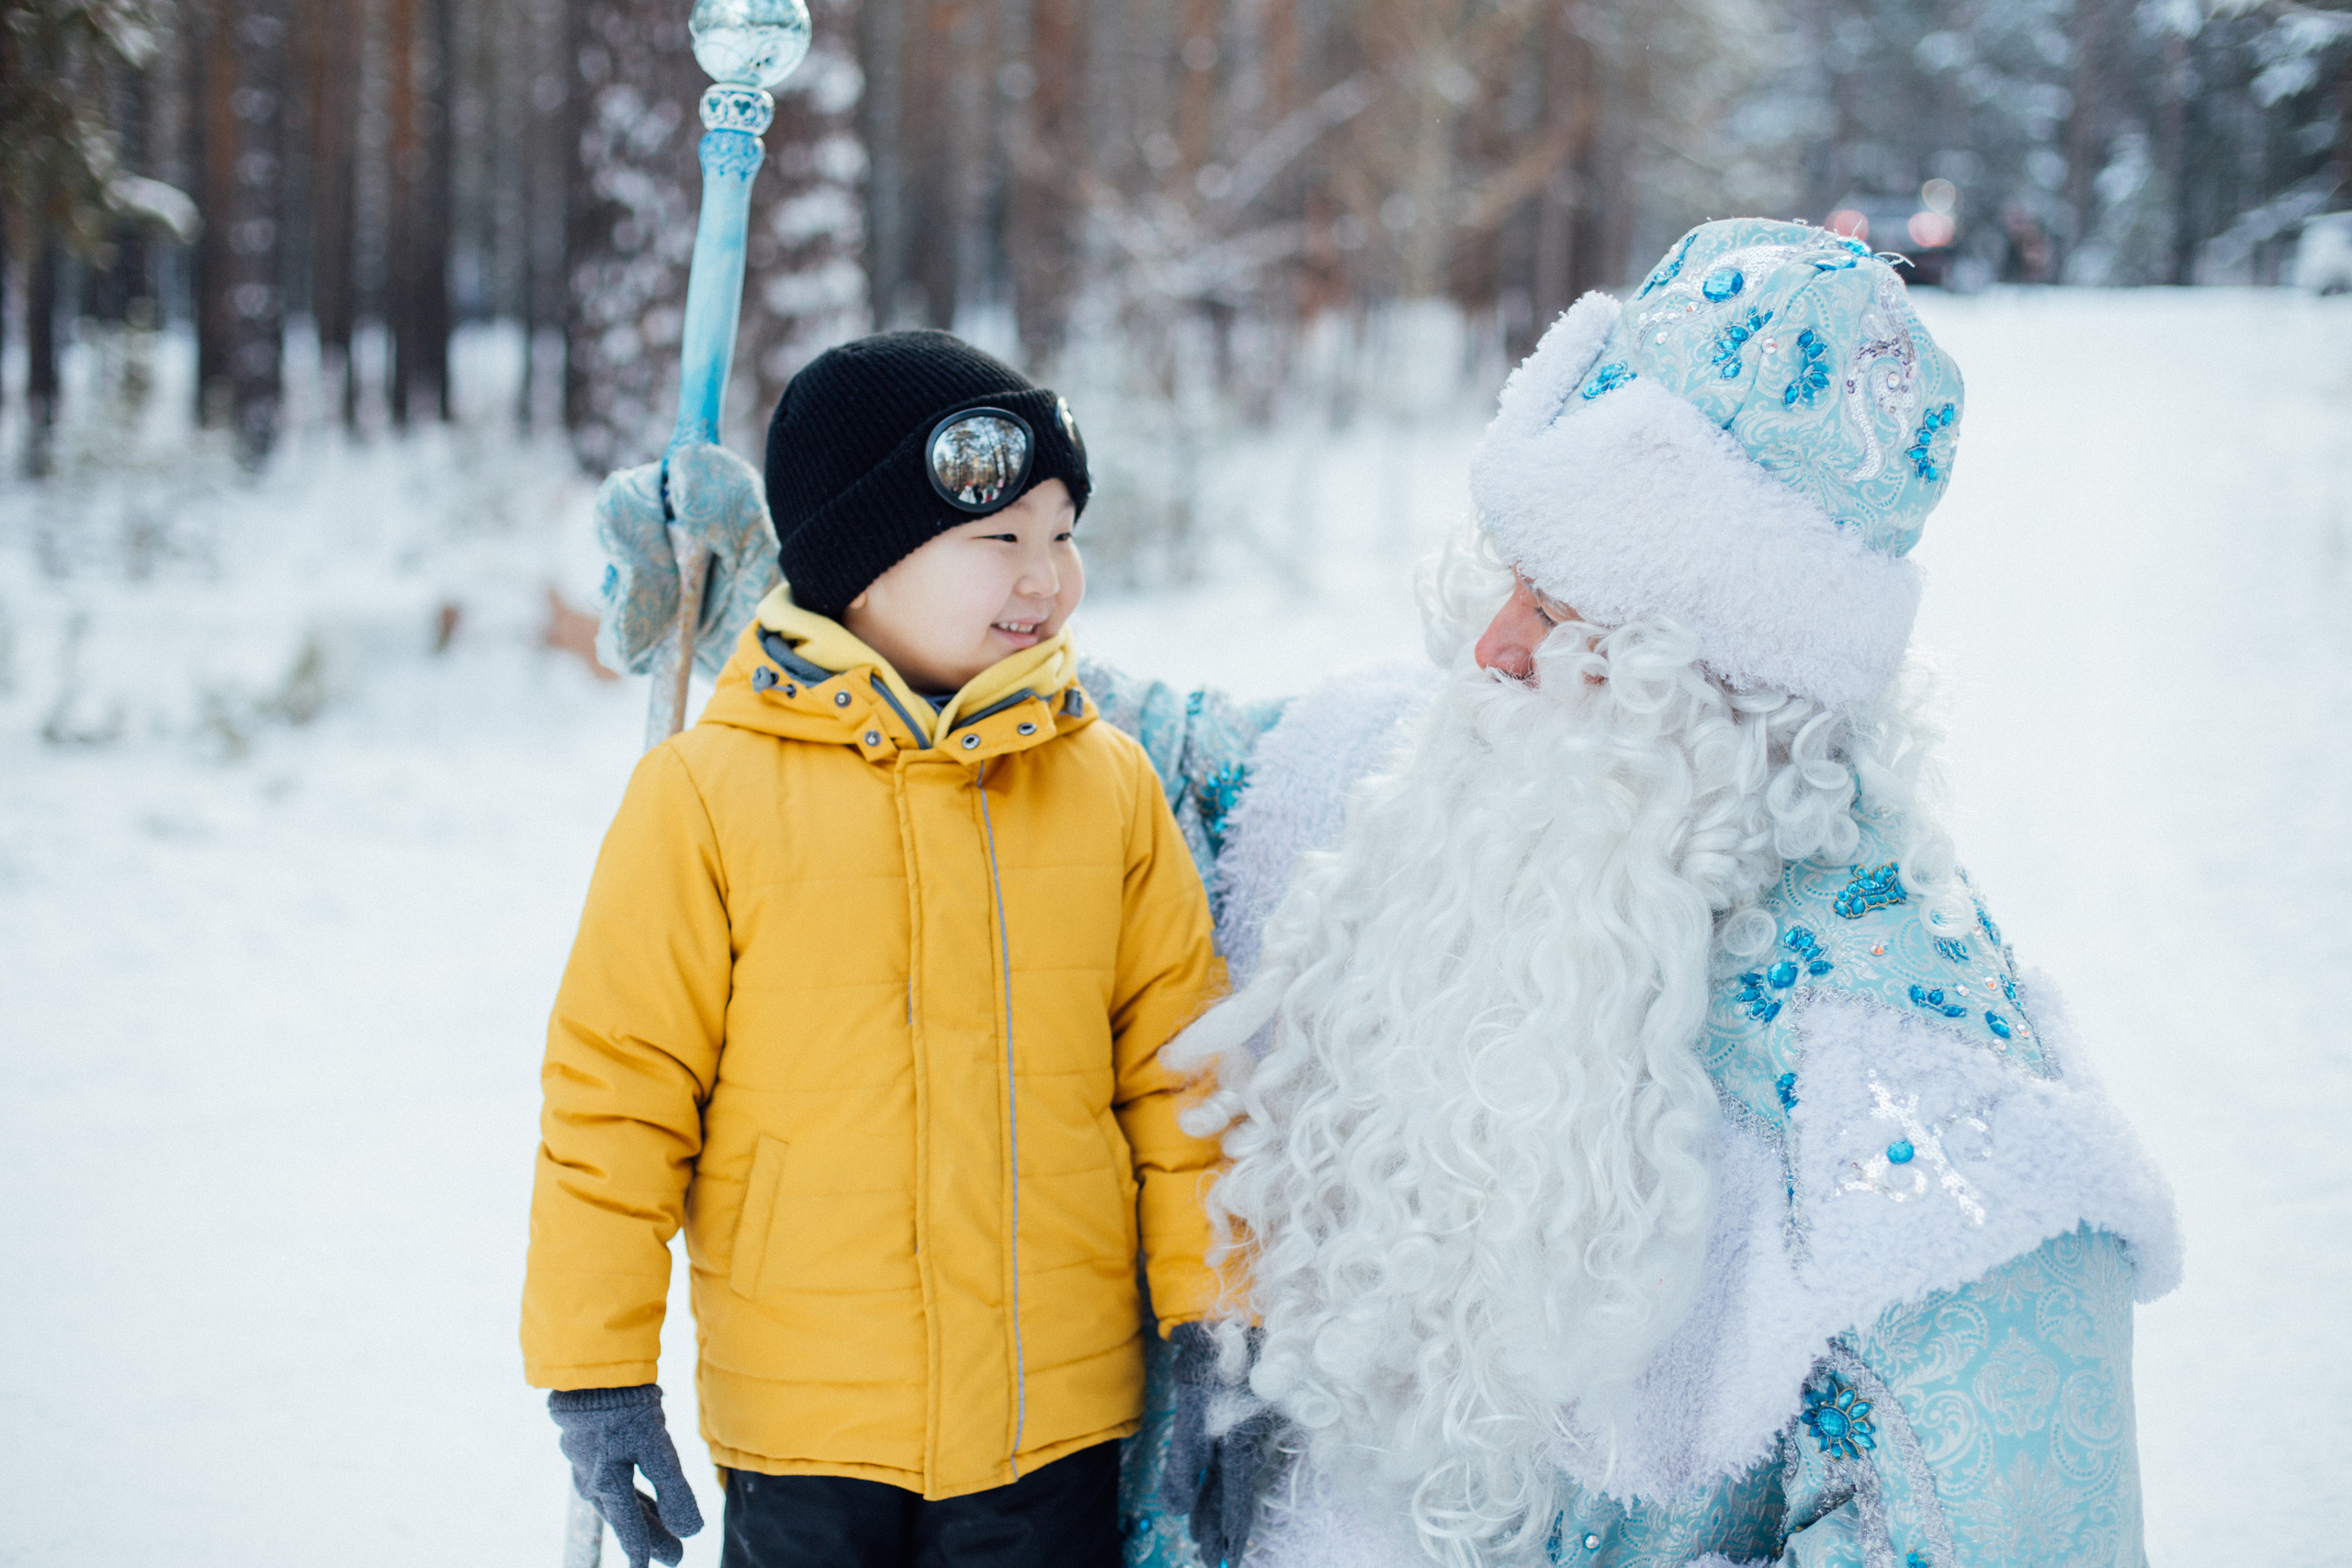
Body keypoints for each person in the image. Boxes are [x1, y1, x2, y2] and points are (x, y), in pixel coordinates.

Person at [1102, 220, 2177, 1567]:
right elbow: (1122, 759)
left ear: (1720, 681)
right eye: (1511, 583)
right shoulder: (1422, 791)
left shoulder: (1926, 1128)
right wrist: (874, 571)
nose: (1488, 648)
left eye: (1555, 618)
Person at [522, 331, 1236, 1568]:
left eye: (1063, 533)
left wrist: (1218, 1328)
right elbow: (616, 1100)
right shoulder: (708, 797)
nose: (1047, 577)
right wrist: (597, 1373)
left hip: (1051, 1424)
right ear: (863, 563)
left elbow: (1187, 1081)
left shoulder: (1107, 787)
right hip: (807, 1429)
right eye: (999, 538)